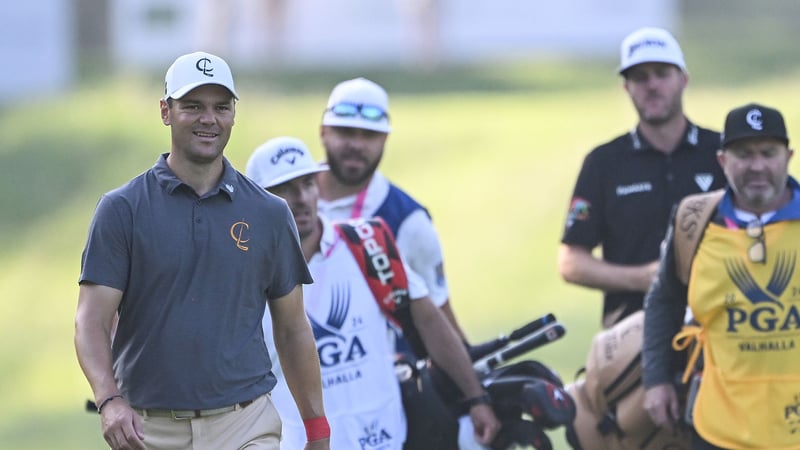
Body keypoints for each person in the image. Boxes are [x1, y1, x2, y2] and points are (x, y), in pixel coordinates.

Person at [74, 52, 329, 450]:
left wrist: (317, 430)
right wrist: (108, 400)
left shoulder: (269, 213)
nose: (209, 119)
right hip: (149, 430)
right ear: (166, 111)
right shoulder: (122, 210)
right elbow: (91, 321)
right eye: (192, 107)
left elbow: (293, 329)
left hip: (247, 425)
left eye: (221, 107)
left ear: (233, 114)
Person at [245, 136, 501, 449]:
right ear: (259, 200)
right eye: (284, 189)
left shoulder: (368, 243)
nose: (301, 198)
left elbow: (430, 321)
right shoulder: (241, 272)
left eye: (308, 183)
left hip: (383, 436)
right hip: (294, 441)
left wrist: (476, 398)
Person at [643, 103, 800, 449]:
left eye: (768, 153)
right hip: (719, 427)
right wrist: (656, 380)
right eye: (744, 154)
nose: (757, 166)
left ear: (787, 157)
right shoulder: (694, 222)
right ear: (723, 161)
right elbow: (664, 300)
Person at [558, 26, 727, 328]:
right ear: (626, 87)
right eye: (639, 77)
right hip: (632, 335)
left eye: (662, 73)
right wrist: (643, 278)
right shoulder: (604, 162)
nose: (651, 85)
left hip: (721, 325)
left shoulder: (723, 153)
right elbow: (571, 262)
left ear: (683, 79)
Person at [315, 77, 469, 347]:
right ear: (323, 131)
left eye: (369, 135)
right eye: (346, 132)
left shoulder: (409, 220)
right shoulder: (283, 200)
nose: (356, 145)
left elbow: (439, 315)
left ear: (385, 138)